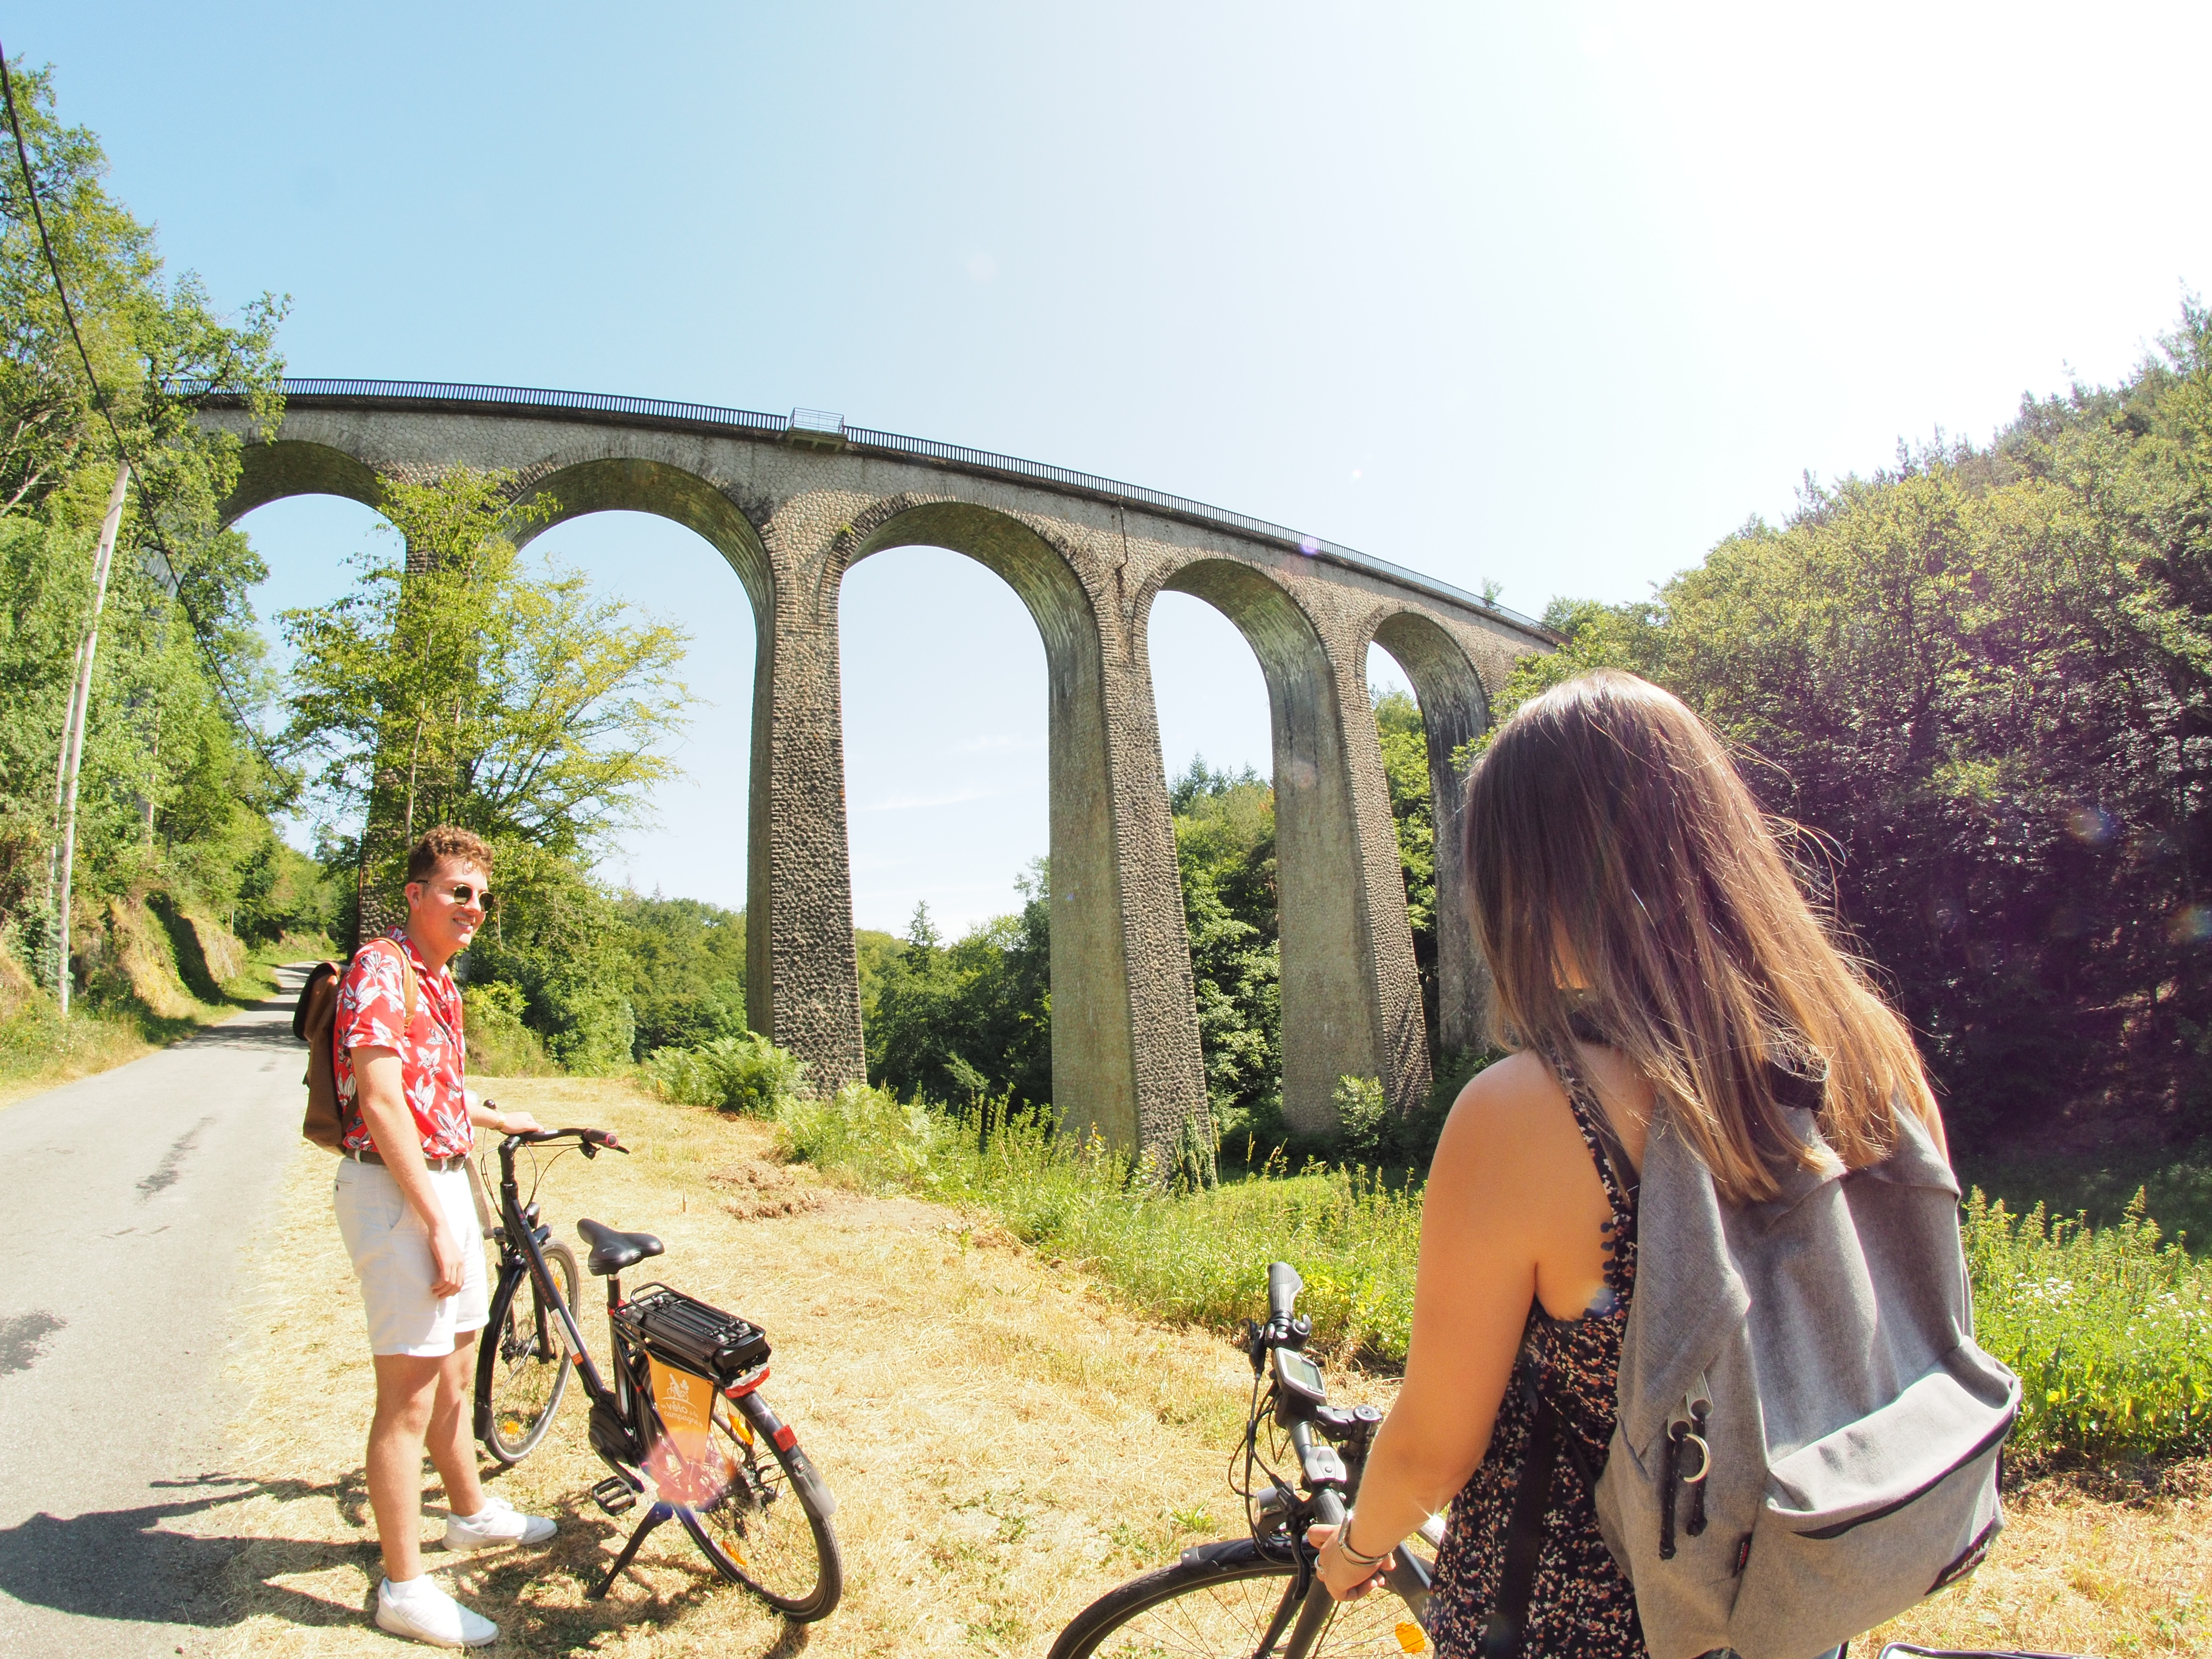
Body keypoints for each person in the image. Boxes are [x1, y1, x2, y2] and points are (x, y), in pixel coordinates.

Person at [1309, 671, 1946, 1659]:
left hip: (1575, 1620)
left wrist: (1353, 1550)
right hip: (1788, 1596)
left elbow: (1437, 1442)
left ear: (1541, 878)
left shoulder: (1530, 1109)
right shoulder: (1869, 1053)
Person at [332, 824, 556, 1649]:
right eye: (459, 891)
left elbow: (436, 1090)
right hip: (398, 1194)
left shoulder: (440, 982)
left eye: (482, 897)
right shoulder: (381, 969)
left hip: (442, 1179)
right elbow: (382, 1097)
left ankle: (467, 1514)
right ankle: (404, 1588)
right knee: (408, 1399)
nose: (475, 908)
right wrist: (433, 1219)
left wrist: (499, 1116)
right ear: (416, 894)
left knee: (459, 1367)